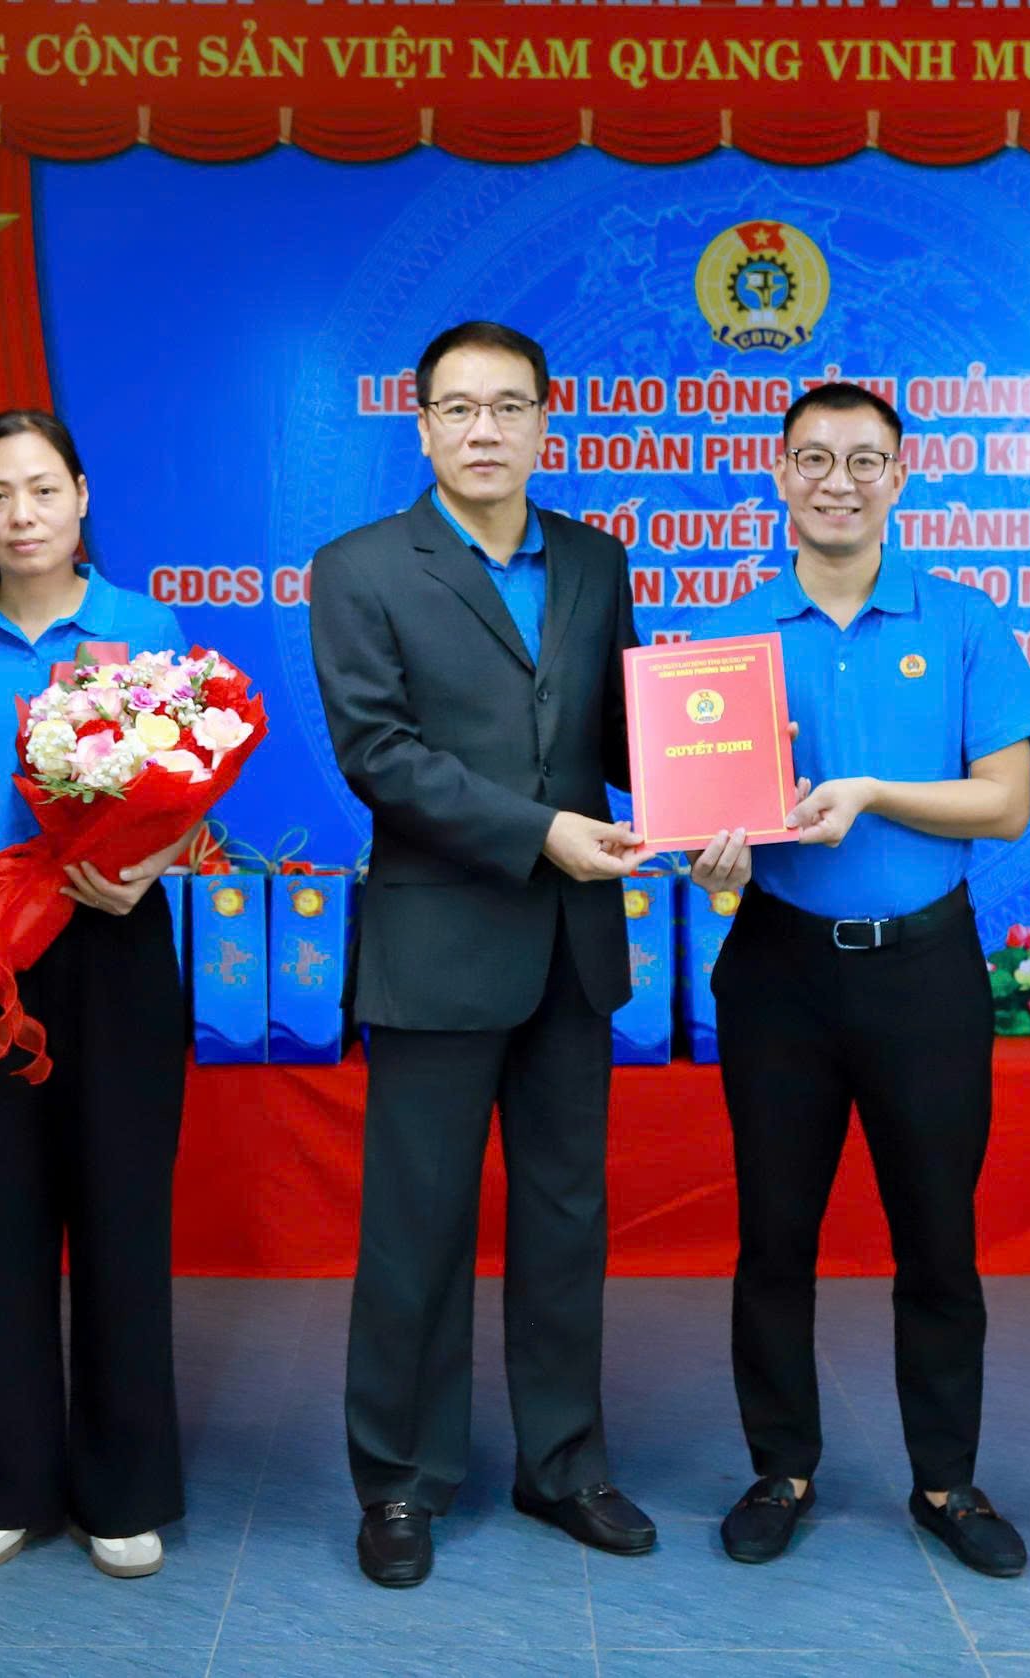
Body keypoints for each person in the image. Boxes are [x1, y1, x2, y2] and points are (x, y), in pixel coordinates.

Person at [310, 320, 654, 1588]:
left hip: (571, 948)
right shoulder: (358, 567)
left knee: (566, 1217)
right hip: (438, 941)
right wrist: (540, 832)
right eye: (457, 409)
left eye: (508, 406)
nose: (484, 430)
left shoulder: (594, 558)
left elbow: (620, 730)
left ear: (545, 421)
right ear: (422, 428)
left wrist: (725, 769)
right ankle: (402, 1479)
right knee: (418, 1226)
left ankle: (563, 1463)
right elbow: (379, 754)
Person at [689, 382, 1030, 1577]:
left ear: (901, 477)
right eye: (812, 459)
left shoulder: (963, 621)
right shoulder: (733, 633)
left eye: (861, 460)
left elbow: (1005, 804)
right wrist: (709, 854)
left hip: (924, 969)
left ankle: (946, 1480)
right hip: (778, 968)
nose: (835, 481)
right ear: (778, 476)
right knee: (772, 1235)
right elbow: (706, 811)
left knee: (938, 1237)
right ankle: (779, 1467)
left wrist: (875, 792)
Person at [0, 409, 195, 1580]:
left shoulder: (140, 626)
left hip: (110, 933)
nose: (22, 515)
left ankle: (121, 1488)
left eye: (43, 490)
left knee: (120, 1210)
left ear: (81, 495)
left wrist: (148, 868)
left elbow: (185, 790)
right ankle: (4, 1481)